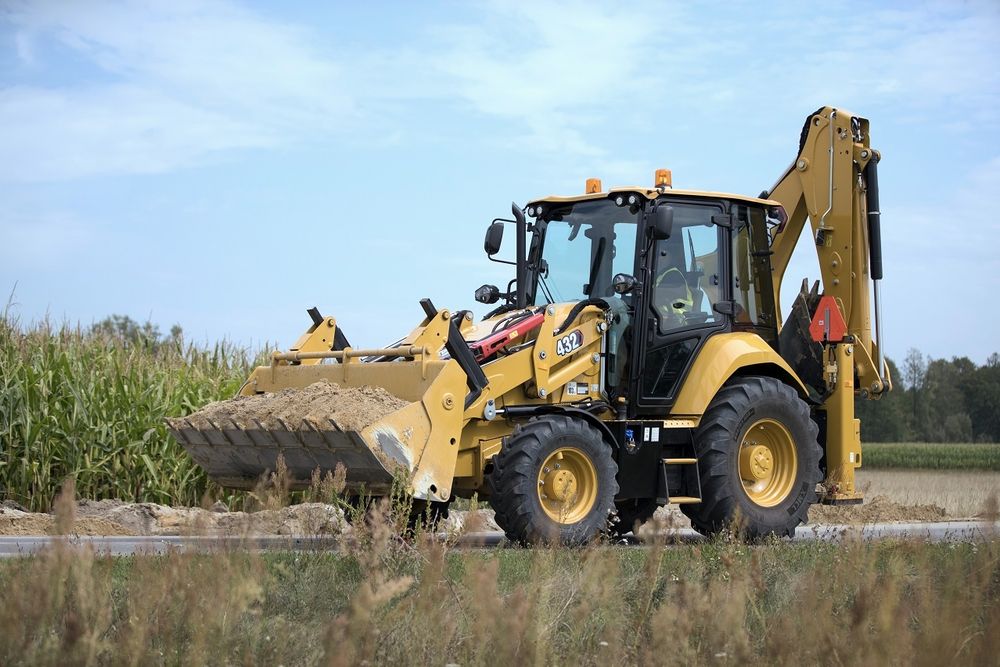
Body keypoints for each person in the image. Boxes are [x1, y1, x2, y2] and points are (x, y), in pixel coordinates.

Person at [653, 246, 692, 329]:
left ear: (671, 257)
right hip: (665, 318)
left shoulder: (673, 274)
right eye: (658, 255)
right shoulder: (661, 275)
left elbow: (658, 295)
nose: (659, 258)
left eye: (663, 254)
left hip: (677, 321)